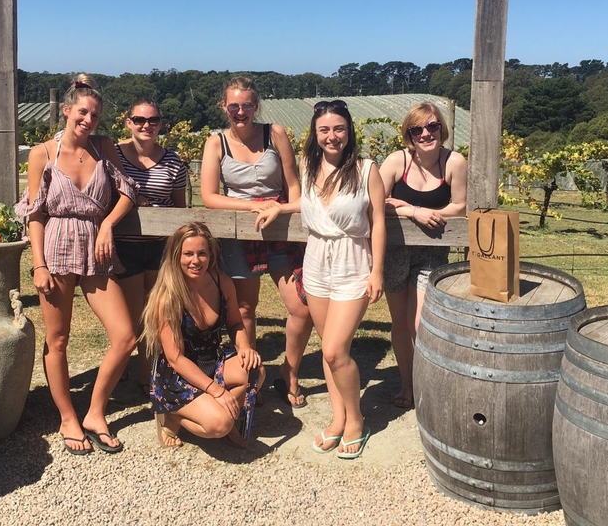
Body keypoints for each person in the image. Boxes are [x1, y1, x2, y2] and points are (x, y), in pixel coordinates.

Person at [255, 100, 386, 459]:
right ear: (315, 134)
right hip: (316, 263)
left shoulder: (366, 169)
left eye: (339, 128)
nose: (332, 136)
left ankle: (356, 420)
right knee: (329, 350)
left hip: (353, 263)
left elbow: (378, 222)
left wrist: (376, 271)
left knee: (334, 350)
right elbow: (311, 205)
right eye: (324, 129)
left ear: (349, 131)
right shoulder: (308, 165)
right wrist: (281, 206)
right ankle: (338, 417)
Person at [16, 74, 138, 456]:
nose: (88, 119)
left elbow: (127, 192)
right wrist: (38, 265)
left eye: (95, 115)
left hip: (96, 250)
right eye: (83, 112)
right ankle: (68, 417)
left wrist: (107, 224)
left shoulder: (103, 148)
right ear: (67, 111)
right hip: (55, 248)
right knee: (58, 339)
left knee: (125, 336)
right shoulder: (42, 154)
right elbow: (35, 214)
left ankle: (95, 412)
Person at [199, 76, 312, 408]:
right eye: (233, 105)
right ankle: (252, 379)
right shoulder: (215, 143)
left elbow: (293, 184)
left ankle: (288, 373)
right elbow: (209, 197)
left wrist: (287, 210)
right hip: (238, 232)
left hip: (280, 229)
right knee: (245, 309)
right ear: (224, 106)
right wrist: (252, 206)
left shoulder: (274, 134)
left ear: (256, 106)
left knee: (302, 308)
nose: (240, 112)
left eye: (247, 105)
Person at [142, 222, 264, 448]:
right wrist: (217, 391)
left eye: (202, 254)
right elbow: (175, 358)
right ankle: (172, 416)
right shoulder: (168, 296)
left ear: (211, 255)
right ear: (176, 255)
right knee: (219, 424)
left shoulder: (222, 282)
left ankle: (227, 415)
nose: (195, 261)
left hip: (212, 358)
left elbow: (236, 323)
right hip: (178, 374)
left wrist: (245, 347)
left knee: (255, 370)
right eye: (188, 254)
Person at [378, 102, 468, 410]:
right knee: (400, 323)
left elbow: (460, 206)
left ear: (442, 128)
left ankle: (425, 385)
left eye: (432, 126)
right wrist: (414, 212)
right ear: (409, 134)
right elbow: (375, 200)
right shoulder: (397, 161)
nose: (426, 134)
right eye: (417, 129)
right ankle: (408, 385)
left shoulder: (454, 162)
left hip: (432, 252)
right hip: (394, 252)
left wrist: (410, 207)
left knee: (419, 324)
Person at [114, 97, 188, 396]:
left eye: (153, 120)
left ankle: (146, 376)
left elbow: (180, 208)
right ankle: (121, 365)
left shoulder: (173, 161)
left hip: (161, 247)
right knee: (132, 314)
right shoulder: (113, 154)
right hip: (125, 245)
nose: (147, 125)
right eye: (140, 120)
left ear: (160, 123)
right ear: (128, 123)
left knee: (156, 313)